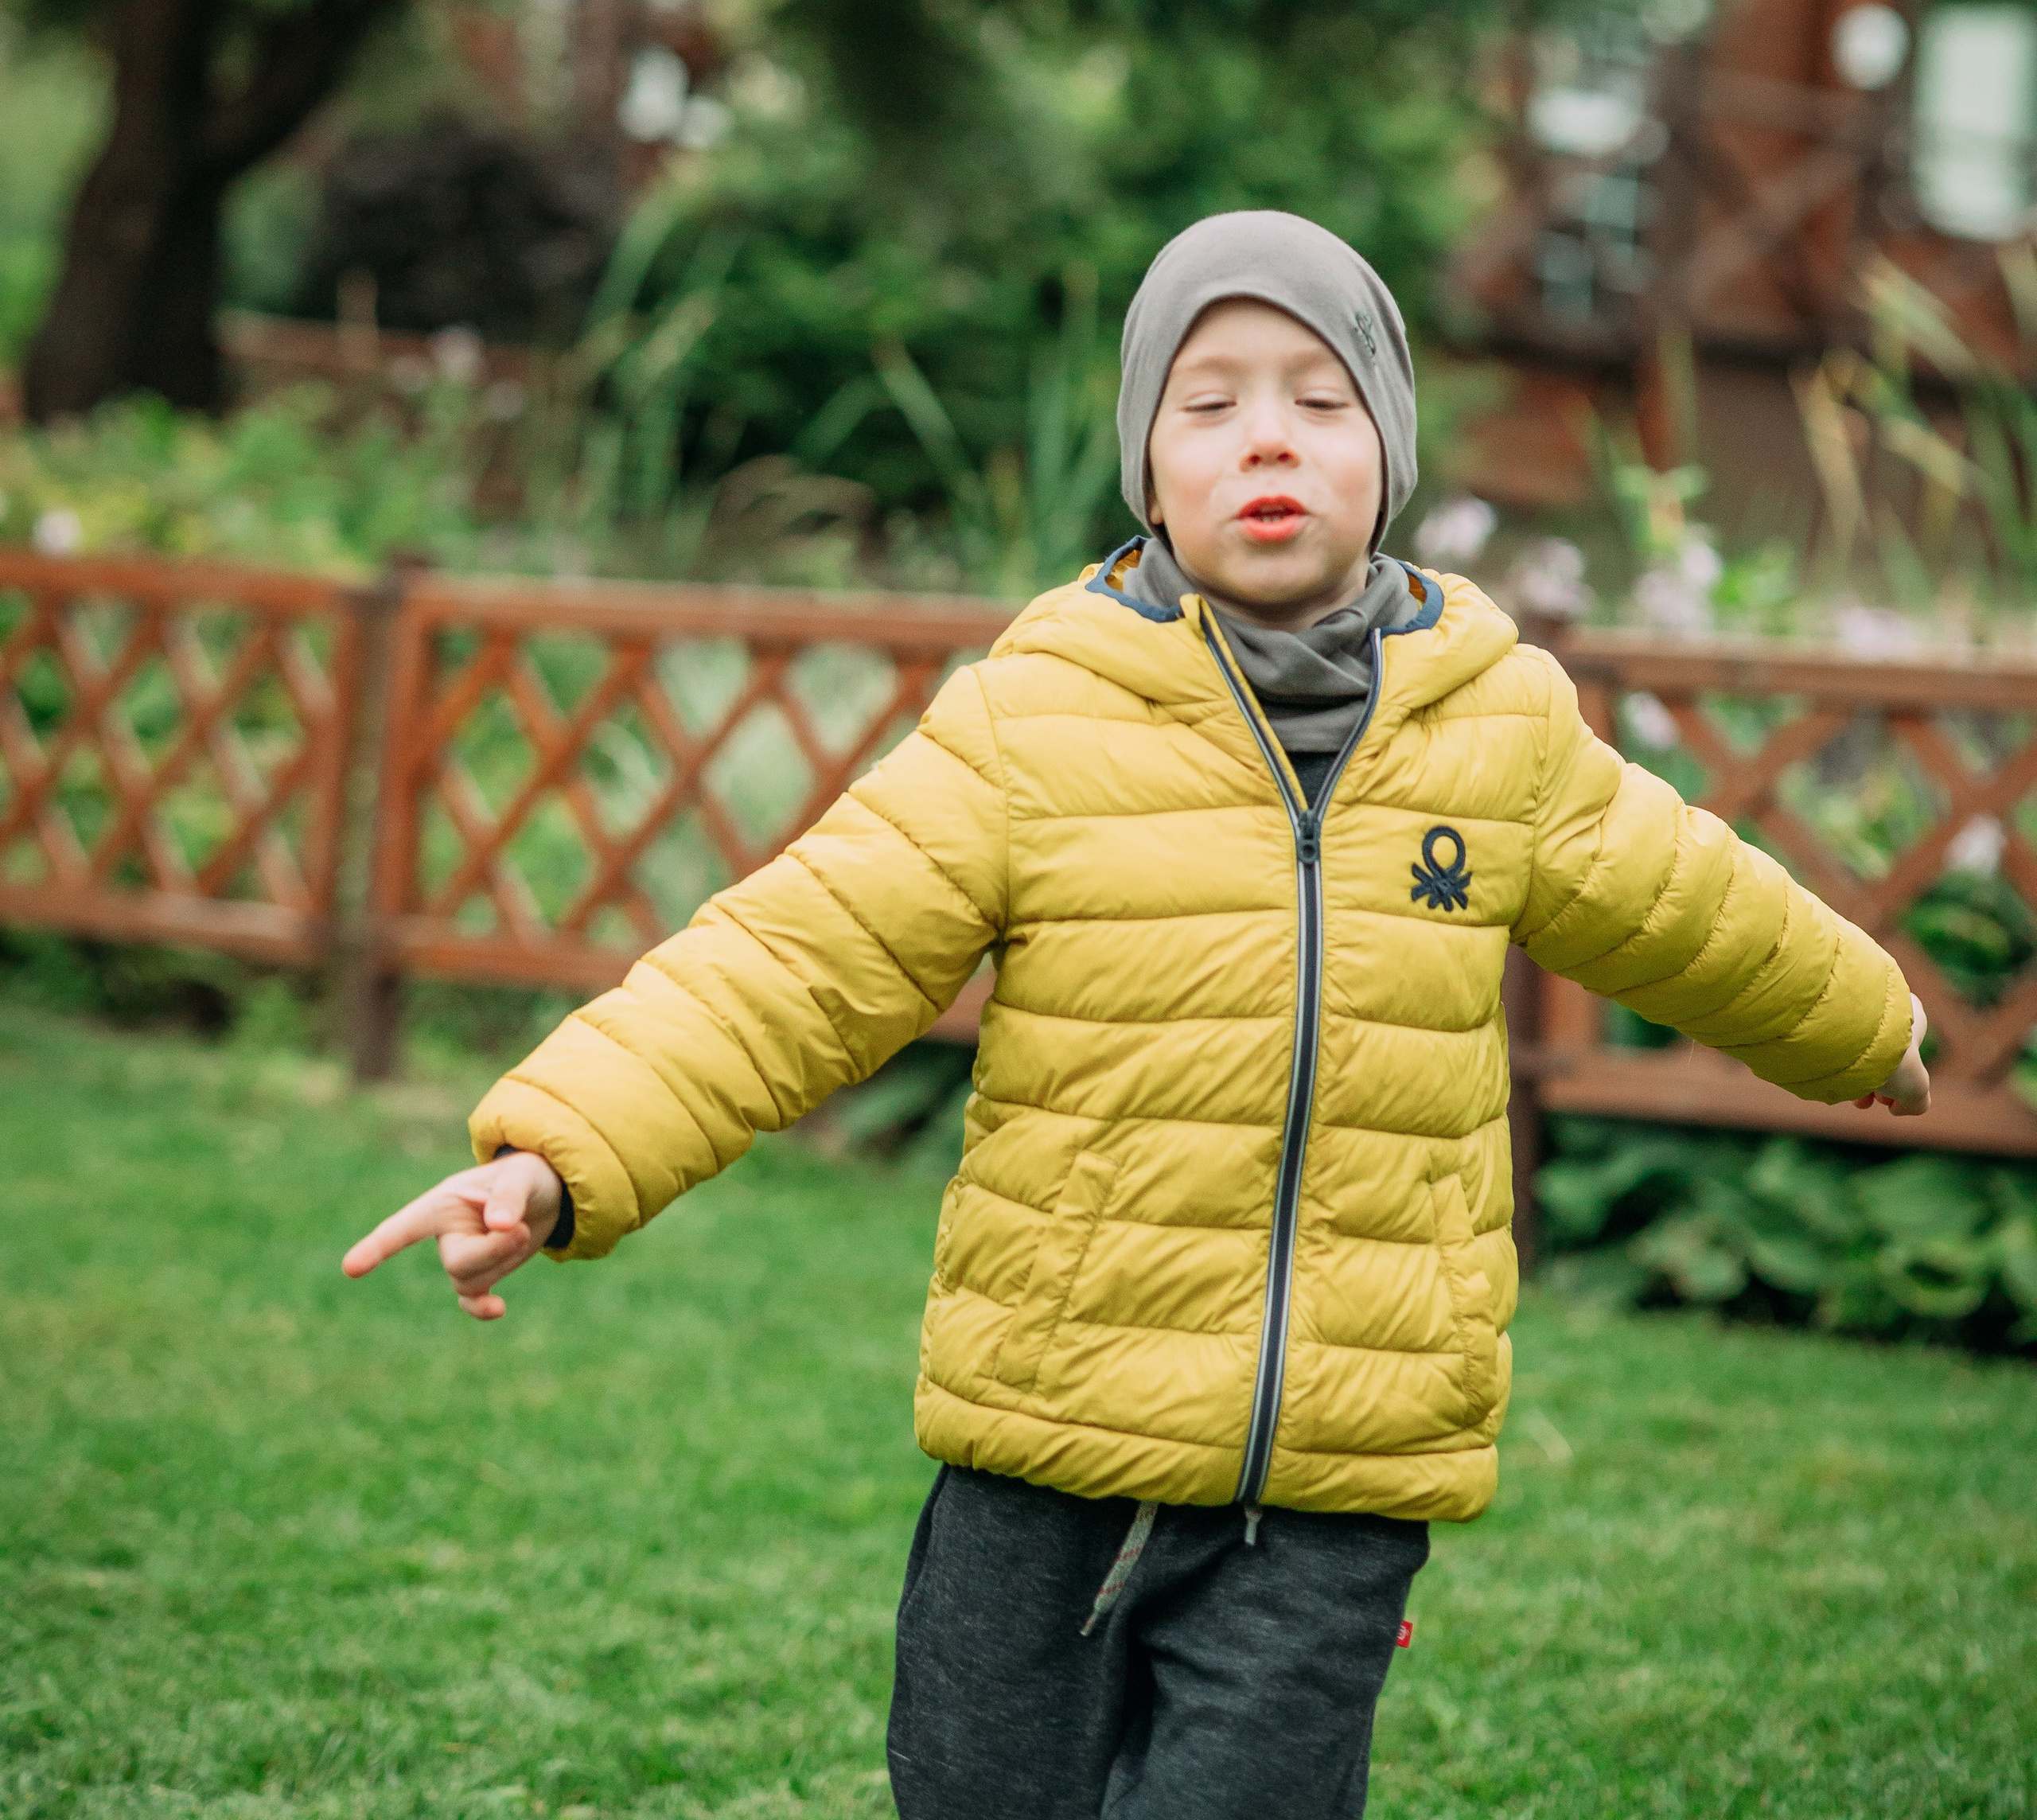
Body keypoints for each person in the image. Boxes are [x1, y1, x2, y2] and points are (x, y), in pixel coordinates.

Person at [344, 209, 1929, 1819]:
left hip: (1335, 1467)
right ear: (1145, 466)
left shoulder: (1493, 723)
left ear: (1384, 447)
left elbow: (1686, 902)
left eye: (1319, 401)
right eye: (1209, 401)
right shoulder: (1038, 719)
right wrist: (553, 1156)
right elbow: (796, 957)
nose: (1268, 440)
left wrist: (1863, 1024)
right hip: (1050, 1438)